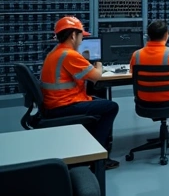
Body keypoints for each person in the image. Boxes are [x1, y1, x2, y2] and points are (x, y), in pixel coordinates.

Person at [39, 16, 120, 169]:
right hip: (63, 105)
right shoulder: (69, 54)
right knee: (111, 107)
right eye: (82, 35)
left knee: (98, 101)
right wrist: (99, 63)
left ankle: (90, 147)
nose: (82, 40)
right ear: (73, 35)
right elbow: (96, 76)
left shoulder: (55, 52)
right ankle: (96, 155)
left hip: (55, 103)